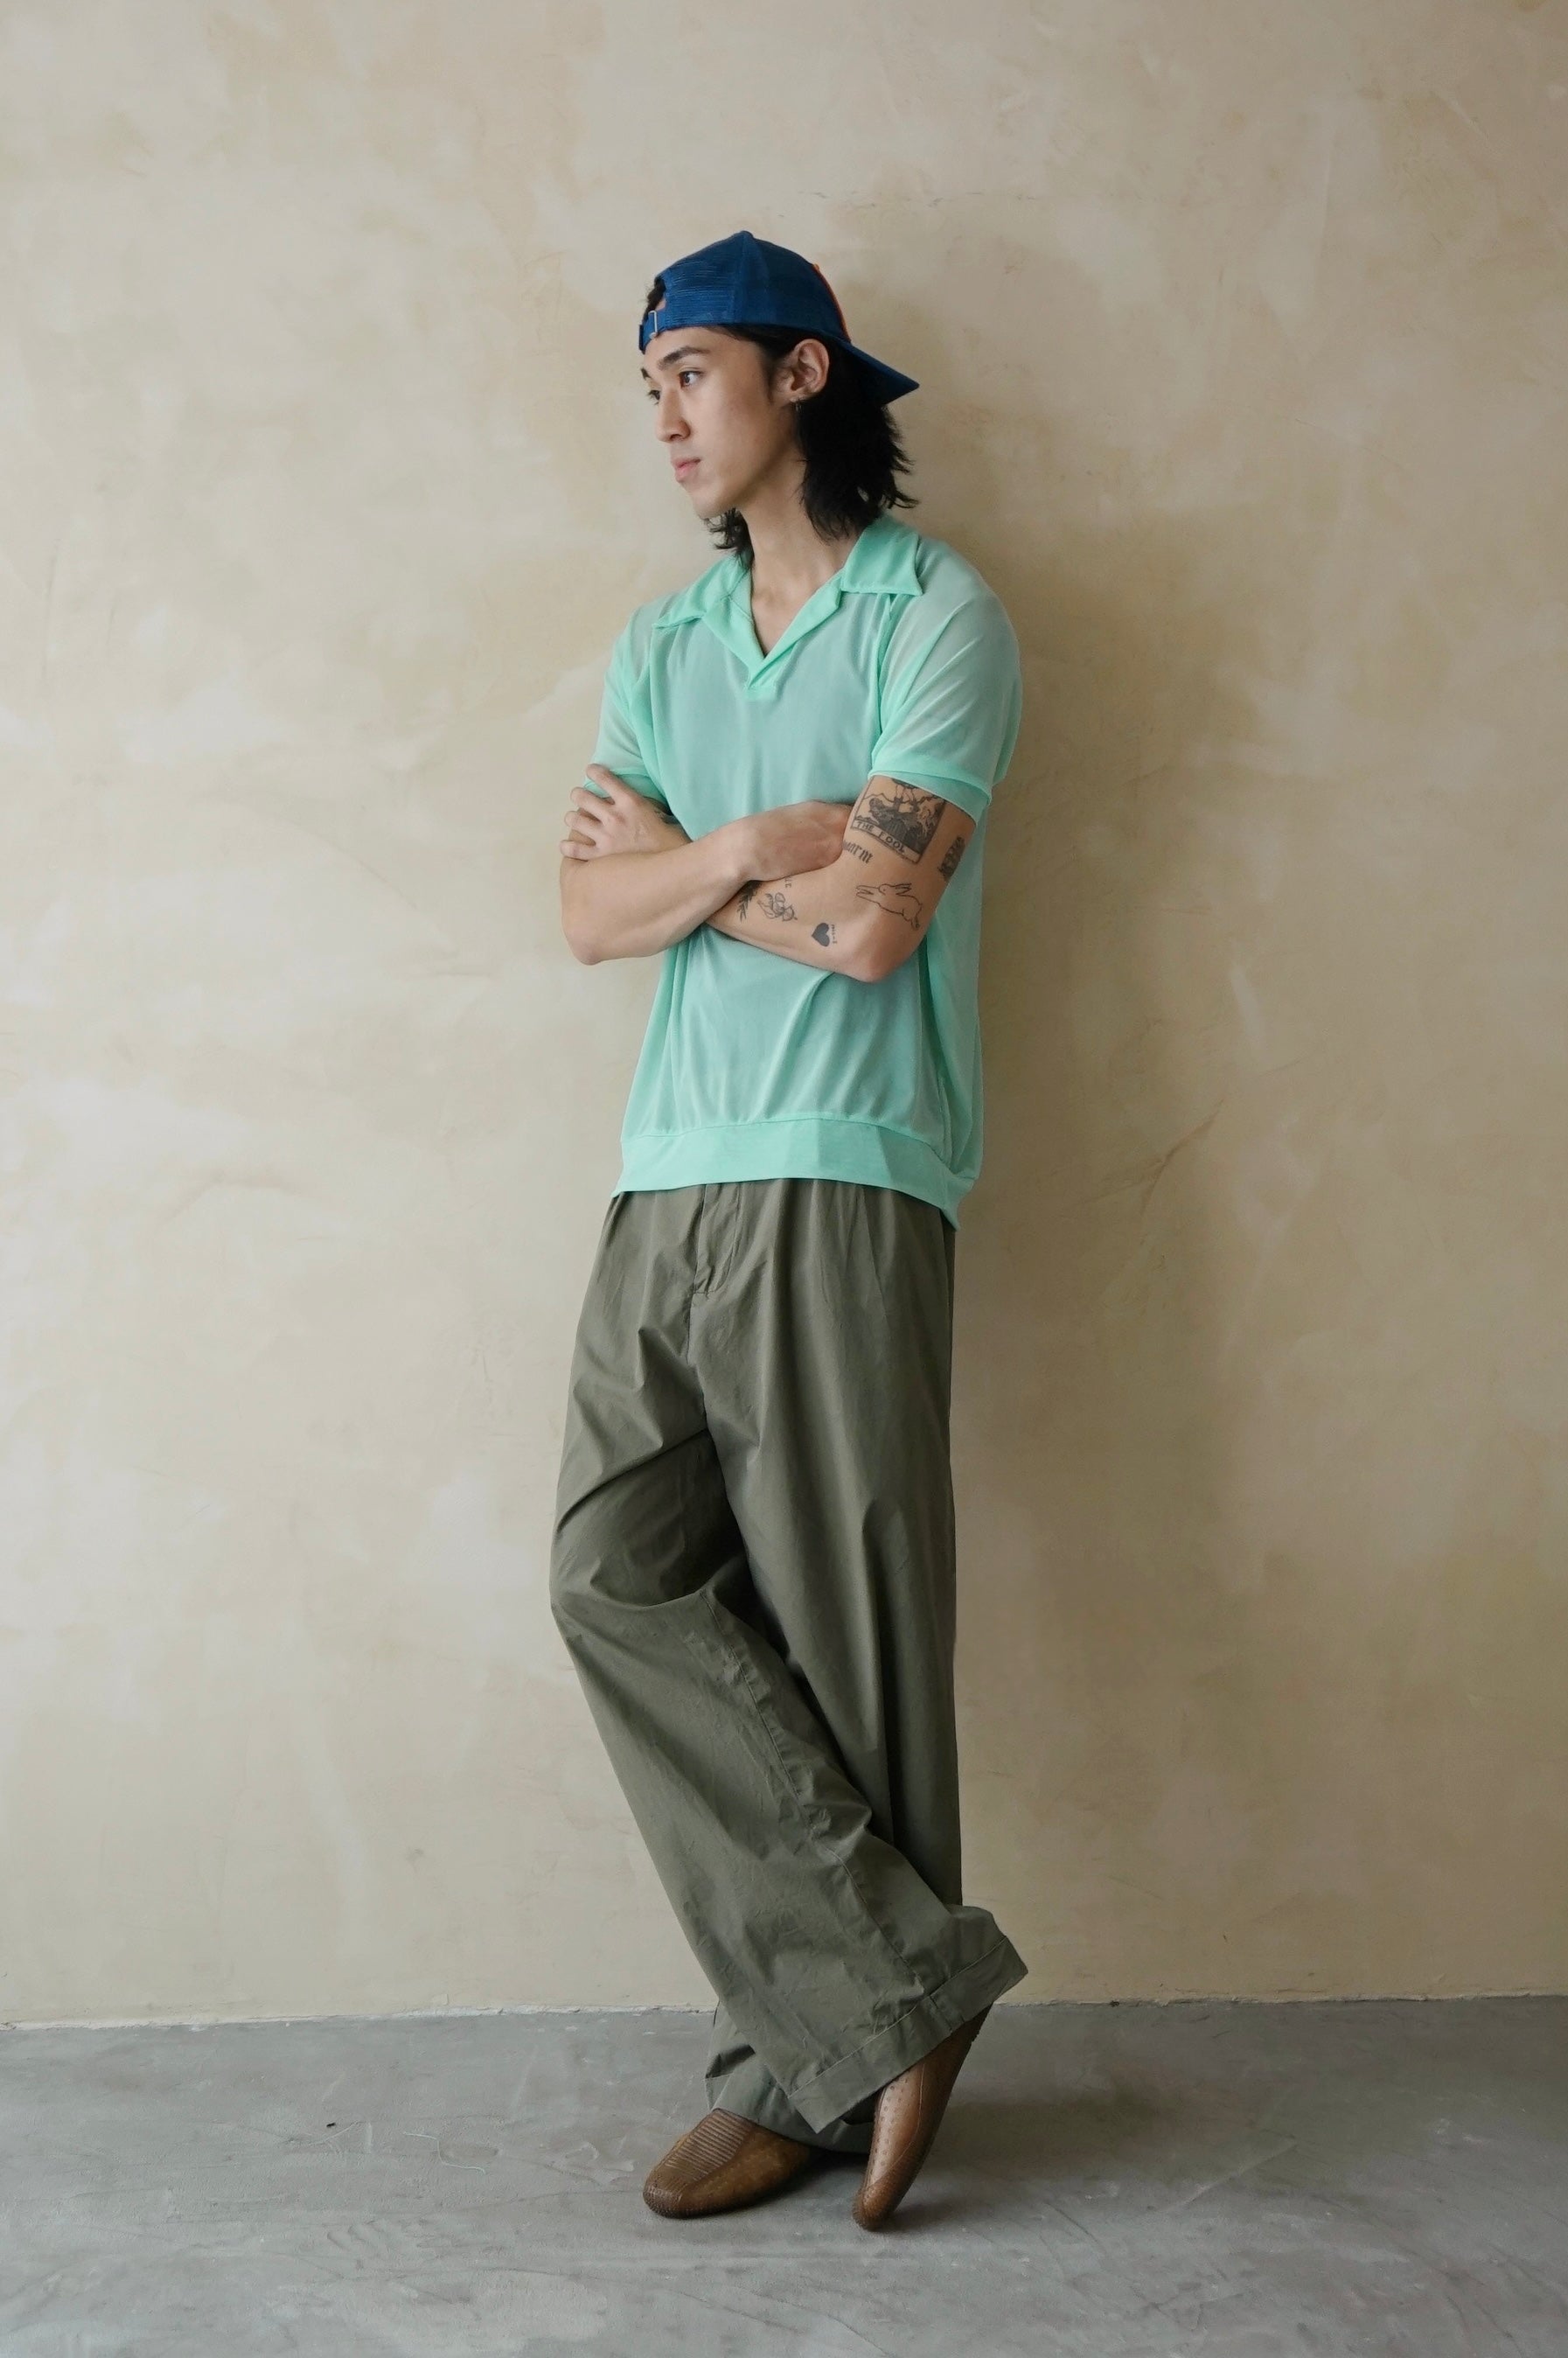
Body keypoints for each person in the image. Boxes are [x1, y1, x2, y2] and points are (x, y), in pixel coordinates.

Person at [548, 230, 1028, 2229]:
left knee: (848, 1637)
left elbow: (879, 927)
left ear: (804, 374)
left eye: (691, 373)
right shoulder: (664, 646)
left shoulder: (940, 616)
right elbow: (584, 912)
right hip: (665, 1169)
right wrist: (750, 846)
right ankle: (883, 2002)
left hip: (848, 1159)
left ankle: (809, 2076)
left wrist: (685, 873)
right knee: (612, 1577)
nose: (665, 416)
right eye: (649, 386)